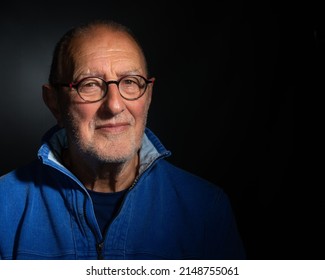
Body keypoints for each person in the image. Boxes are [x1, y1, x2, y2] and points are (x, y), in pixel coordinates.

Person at [0, 19, 245, 260]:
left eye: (130, 82)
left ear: (148, 96)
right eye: (90, 84)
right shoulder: (4, 207)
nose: (115, 105)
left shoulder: (207, 209)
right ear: (54, 102)